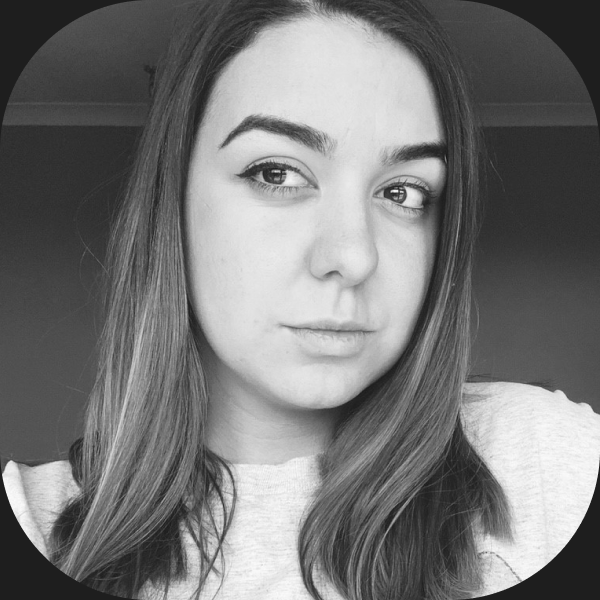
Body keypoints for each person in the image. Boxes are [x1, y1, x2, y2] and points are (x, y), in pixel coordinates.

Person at [3, 0, 599, 598]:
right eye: (277, 174)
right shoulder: (31, 518)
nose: (354, 256)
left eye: (402, 192)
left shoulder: (545, 459)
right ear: (173, 202)